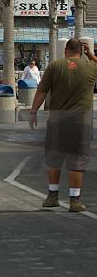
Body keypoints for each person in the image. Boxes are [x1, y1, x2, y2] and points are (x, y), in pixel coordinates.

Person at [29, 39, 97, 212]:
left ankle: (52, 196)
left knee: (54, 157)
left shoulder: (55, 66)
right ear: (81, 51)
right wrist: (91, 55)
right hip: (81, 120)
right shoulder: (90, 66)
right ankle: (75, 200)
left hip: (57, 118)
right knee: (77, 159)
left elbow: (42, 91)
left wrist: (33, 112)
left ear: (65, 50)